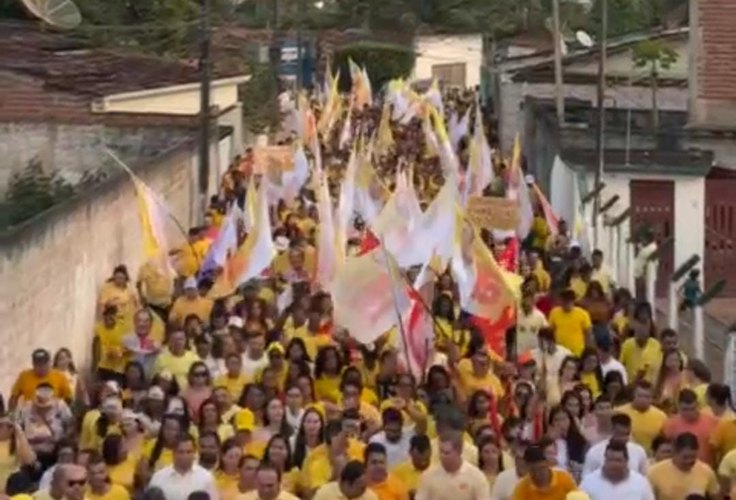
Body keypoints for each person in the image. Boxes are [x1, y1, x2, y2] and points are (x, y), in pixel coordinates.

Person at [415, 432, 489, 500]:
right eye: (440, 451)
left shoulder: (476, 476)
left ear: (459, 451)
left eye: (447, 453)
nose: (442, 456)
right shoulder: (428, 476)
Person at [647, 432, 719, 500]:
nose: (689, 461)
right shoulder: (654, 472)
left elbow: (716, 496)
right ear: (675, 452)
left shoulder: (706, 471)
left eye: (693, 457)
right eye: (685, 457)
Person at [149, 434, 219, 500]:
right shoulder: (159, 477)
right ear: (173, 453)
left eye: (188, 452)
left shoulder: (206, 477)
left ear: (194, 453)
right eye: (181, 452)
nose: (185, 456)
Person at [579, 441, 654, 500]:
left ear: (626, 461)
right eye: (610, 460)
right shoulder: (588, 482)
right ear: (605, 460)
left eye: (618, 460)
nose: (613, 464)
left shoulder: (641, 483)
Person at [582, 413, 648, 477]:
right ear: (611, 430)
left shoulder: (639, 451)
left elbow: (644, 478)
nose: (623, 438)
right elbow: (586, 477)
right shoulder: (594, 452)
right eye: (620, 434)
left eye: (626, 434)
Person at [616, 381, 666, 454]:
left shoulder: (661, 416)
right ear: (633, 395)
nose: (643, 400)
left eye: (647, 397)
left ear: (652, 398)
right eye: (640, 396)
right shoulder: (618, 412)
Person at [511, 444, 576, 499]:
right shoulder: (522, 488)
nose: (537, 474)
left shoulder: (564, 478)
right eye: (532, 470)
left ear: (547, 463)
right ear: (527, 469)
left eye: (541, 468)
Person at [547, 289, 592, 357]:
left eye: (569, 300)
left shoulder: (583, 314)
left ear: (573, 301)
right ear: (561, 300)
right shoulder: (554, 313)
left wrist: (587, 351)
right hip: (559, 352)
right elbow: (550, 332)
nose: (567, 302)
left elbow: (588, 334)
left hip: (577, 352)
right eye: (565, 300)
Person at [312, 460, 378, 500]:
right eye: (361, 488)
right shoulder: (324, 494)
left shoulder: (370, 496)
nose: (364, 491)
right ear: (348, 484)